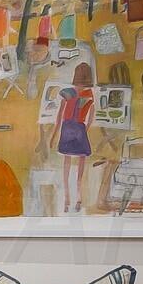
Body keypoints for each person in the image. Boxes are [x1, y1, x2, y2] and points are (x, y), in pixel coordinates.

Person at [52, 61, 96, 213]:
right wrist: (85, 129)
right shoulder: (90, 96)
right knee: (81, 165)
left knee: (66, 164)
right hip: (79, 129)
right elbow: (91, 118)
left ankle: (66, 199)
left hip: (67, 129)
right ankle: (79, 199)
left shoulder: (67, 93)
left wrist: (53, 135)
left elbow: (59, 117)